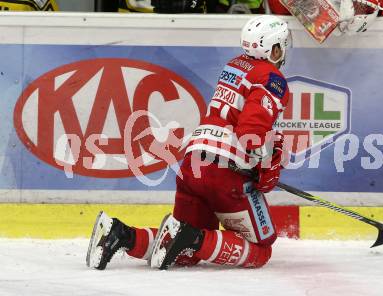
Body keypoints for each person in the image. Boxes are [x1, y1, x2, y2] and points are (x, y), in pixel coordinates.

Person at [86, 14, 291, 270]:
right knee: (261, 250)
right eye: (281, 45)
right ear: (273, 48)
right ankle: (190, 237)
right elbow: (251, 130)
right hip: (224, 172)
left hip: (193, 163)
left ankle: (120, 234)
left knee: (183, 252)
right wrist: (267, 165)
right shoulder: (272, 78)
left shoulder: (235, 65)